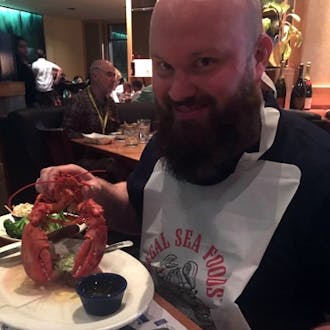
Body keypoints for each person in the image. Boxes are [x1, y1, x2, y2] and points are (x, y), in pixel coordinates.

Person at [37, 1, 330, 329]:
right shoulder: (170, 137)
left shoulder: (318, 169)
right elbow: (139, 207)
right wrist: (97, 191)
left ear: (258, 56)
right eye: (164, 66)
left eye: (204, 62)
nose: (177, 92)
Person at [62, 59, 119, 138]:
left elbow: (116, 130)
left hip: (109, 148)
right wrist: (89, 139)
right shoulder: (79, 101)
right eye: (109, 75)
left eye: (114, 76)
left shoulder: (111, 103)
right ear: (95, 76)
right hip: (86, 148)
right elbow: (67, 133)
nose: (113, 80)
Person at [15, 36, 37, 107]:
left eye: (26, 46)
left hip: (31, 98)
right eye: (21, 47)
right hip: (22, 100)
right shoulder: (15, 65)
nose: (25, 49)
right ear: (15, 49)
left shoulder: (27, 62)